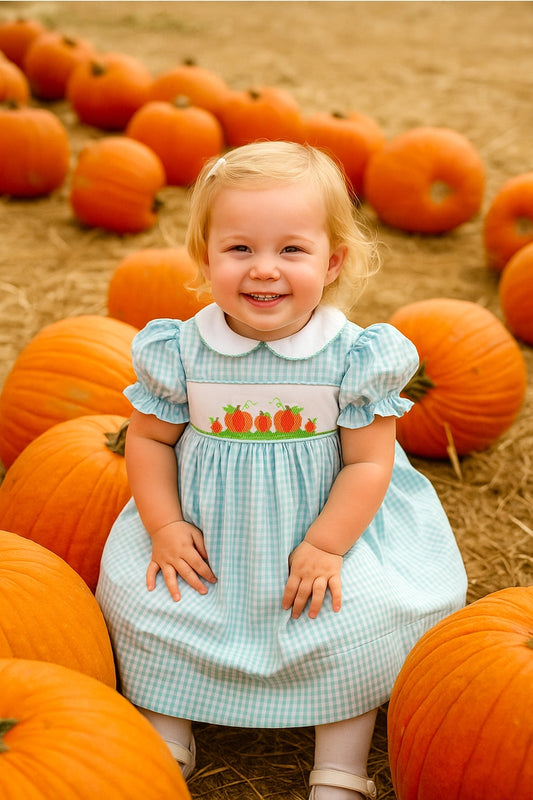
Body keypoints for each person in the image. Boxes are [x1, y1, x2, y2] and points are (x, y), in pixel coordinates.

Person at [96, 141, 467, 800]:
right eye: (239, 249)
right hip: (207, 539)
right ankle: (164, 732)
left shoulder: (352, 356)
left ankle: (340, 765)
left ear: (332, 262)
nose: (263, 270)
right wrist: (164, 525)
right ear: (205, 258)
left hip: (324, 531)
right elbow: (149, 443)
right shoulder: (181, 349)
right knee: (153, 605)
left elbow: (367, 461)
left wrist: (327, 546)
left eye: (290, 250)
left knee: (354, 618)